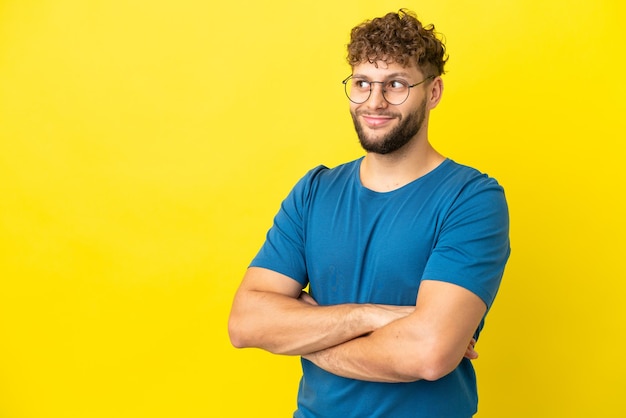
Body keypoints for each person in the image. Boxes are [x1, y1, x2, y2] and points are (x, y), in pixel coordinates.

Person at [228, 9, 510, 418]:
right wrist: (372, 315)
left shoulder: (471, 198)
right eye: (362, 83)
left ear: (433, 93)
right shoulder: (314, 191)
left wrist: (307, 333)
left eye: (395, 84)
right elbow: (246, 323)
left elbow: (428, 353)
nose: (374, 102)